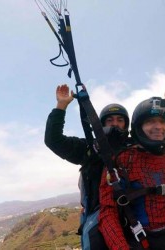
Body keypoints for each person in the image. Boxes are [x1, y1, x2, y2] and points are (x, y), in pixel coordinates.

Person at [98, 96, 165, 249]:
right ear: (139, 127)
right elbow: (108, 213)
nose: (158, 127)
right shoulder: (121, 162)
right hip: (139, 239)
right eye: (150, 121)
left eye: (163, 122)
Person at [45, 84, 131, 250]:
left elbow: (154, 134)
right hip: (98, 215)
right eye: (110, 120)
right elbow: (53, 140)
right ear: (102, 124)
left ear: (126, 125)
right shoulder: (89, 148)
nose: (115, 124)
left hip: (133, 209)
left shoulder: (134, 147)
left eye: (120, 120)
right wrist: (61, 106)